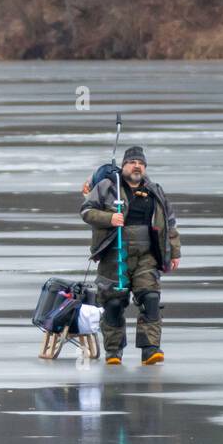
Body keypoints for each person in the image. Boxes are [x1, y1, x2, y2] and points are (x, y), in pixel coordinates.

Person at [80, 146, 181, 365]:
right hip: (114, 254)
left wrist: (174, 251)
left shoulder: (155, 190)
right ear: (123, 165)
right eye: (132, 162)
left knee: (151, 298)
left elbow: (170, 222)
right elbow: (86, 211)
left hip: (147, 255)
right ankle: (114, 352)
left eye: (141, 163)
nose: (137, 166)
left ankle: (150, 349)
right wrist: (109, 219)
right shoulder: (107, 187)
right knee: (114, 303)